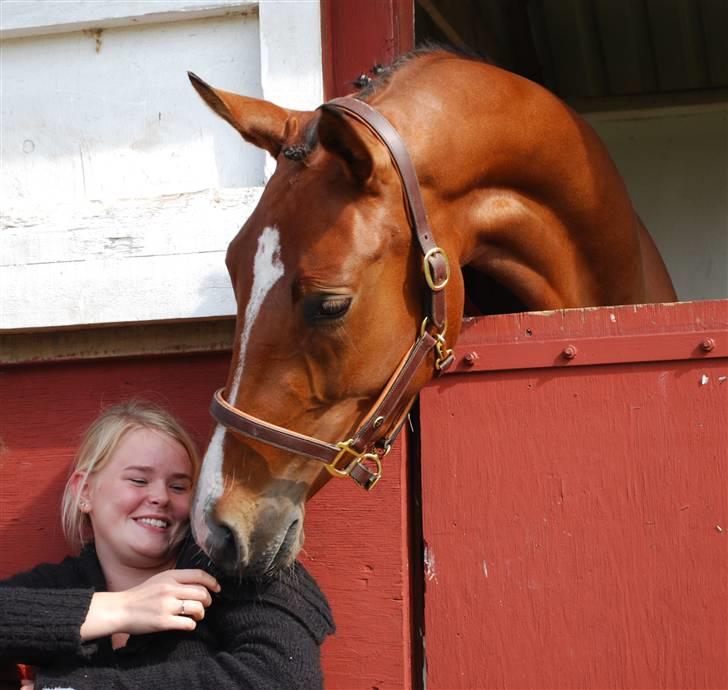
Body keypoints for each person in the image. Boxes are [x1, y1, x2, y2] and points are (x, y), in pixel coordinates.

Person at [0, 400, 334, 689]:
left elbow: (286, 679)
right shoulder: (62, 585)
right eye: (138, 480)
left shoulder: (237, 568)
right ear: (85, 491)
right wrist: (121, 609)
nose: (159, 497)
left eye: (179, 486)